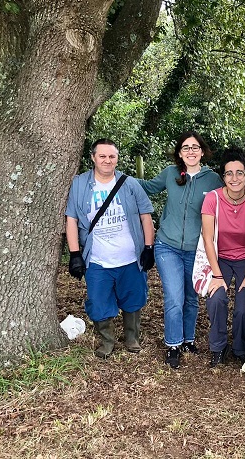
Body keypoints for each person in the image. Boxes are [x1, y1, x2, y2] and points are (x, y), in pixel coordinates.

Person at [139, 131, 223, 369]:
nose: (191, 151)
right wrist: (115, 176)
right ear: (179, 153)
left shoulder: (213, 179)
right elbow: (148, 187)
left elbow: (229, 196)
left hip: (197, 250)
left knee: (191, 297)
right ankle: (173, 345)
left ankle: (188, 339)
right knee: (174, 297)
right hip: (168, 246)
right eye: (186, 147)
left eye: (195, 147)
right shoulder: (171, 173)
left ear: (202, 151)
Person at [65, 138, 156, 358]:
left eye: (112, 156)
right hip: (97, 259)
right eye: (103, 156)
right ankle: (107, 341)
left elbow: (146, 216)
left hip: (130, 258)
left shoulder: (130, 183)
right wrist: (75, 253)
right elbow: (71, 219)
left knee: (134, 299)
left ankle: (132, 338)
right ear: (93, 158)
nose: (107, 160)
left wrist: (148, 247)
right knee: (98, 301)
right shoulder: (79, 184)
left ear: (117, 158)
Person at [201, 149, 245, 367]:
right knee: (217, 298)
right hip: (219, 257)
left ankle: (240, 347)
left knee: (244, 303)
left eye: (239, 173)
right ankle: (218, 347)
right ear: (223, 176)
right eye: (229, 173)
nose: (234, 178)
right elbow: (207, 238)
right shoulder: (212, 199)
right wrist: (216, 274)